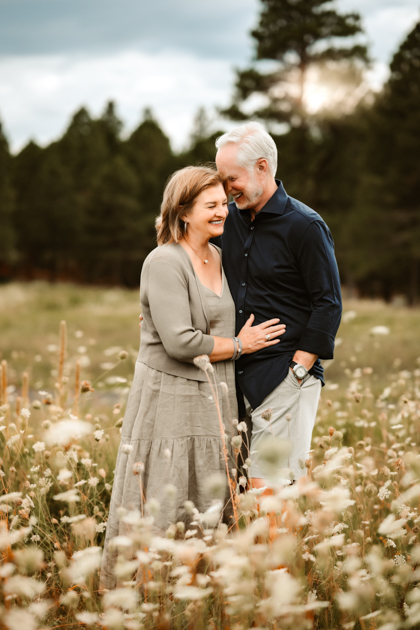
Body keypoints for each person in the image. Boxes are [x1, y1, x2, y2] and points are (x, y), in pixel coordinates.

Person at [101, 165, 286, 589]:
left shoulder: (219, 255)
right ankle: (147, 590)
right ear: (183, 211)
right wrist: (242, 346)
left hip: (216, 395)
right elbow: (181, 342)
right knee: (167, 491)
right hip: (171, 396)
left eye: (224, 203)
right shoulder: (164, 261)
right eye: (212, 206)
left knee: (208, 491)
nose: (223, 211)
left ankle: (200, 588)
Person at [214, 122, 342, 488]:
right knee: (239, 493)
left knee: (270, 492)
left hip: (285, 376)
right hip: (235, 374)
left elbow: (328, 303)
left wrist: (298, 370)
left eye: (231, 178)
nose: (226, 190)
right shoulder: (228, 221)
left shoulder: (305, 226)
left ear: (262, 167)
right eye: (221, 180)